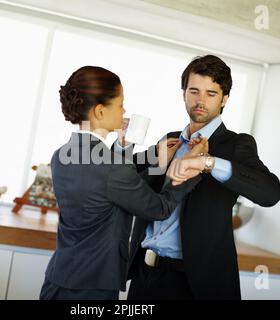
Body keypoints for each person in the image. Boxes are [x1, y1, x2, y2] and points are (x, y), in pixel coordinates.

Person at [39, 66, 207, 300]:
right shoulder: (112, 167)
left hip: (58, 277)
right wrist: (186, 169)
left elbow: (110, 187)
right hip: (93, 285)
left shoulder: (61, 155)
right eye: (120, 104)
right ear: (99, 111)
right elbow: (159, 208)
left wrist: (151, 158)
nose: (124, 110)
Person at [126, 55, 280, 300]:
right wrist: (131, 148)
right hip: (144, 277)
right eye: (194, 91)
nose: (201, 100)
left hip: (195, 286)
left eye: (211, 93)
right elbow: (124, 181)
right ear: (183, 93)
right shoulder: (169, 140)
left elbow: (271, 193)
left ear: (225, 99)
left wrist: (207, 163)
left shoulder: (236, 145)